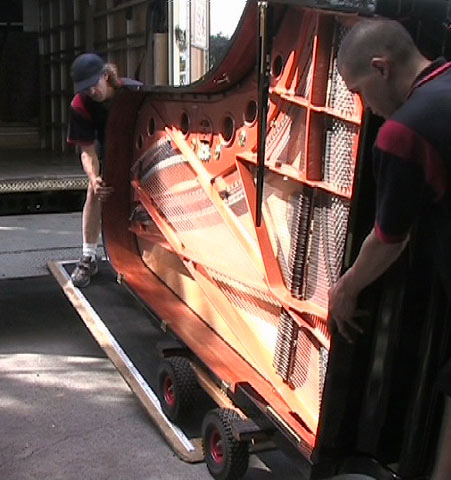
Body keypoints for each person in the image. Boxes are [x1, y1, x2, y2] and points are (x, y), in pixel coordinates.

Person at [327, 19, 451, 480]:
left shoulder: (404, 131)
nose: (366, 109)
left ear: (381, 68)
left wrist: (346, 287)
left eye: (357, 91)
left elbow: (388, 240)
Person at [67, 53, 141, 287]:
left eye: (93, 86)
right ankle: (89, 256)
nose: (90, 92)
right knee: (94, 191)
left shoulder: (135, 93)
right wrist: (94, 178)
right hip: (107, 146)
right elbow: (87, 150)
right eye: (84, 88)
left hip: (139, 145)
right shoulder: (80, 104)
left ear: (106, 76)